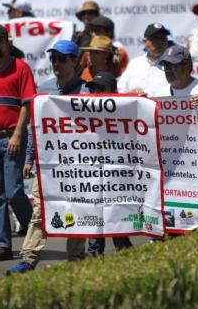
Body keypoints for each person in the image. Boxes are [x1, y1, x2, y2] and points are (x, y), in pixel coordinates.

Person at [7, 40, 87, 274]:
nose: (56, 63)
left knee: (76, 209)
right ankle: (28, 258)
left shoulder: (86, 91)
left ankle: (76, 258)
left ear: (75, 61)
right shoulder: (44, 89)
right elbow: (35, 127)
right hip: (48, 163)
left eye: (62, 59)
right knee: (40, 210)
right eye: (53, 59)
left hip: (79, 164)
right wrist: (30, 158)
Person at [150, 45, 198, 228]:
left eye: (173, 66)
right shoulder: (159, 93)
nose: (168, 70)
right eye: (165, 66)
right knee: (174, 215)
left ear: (186, 66)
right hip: (173, 165)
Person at [0, 25, 35, 262]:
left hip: (11, 138)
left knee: (13, 192)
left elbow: (27, 104)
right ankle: (3, 245)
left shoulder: (21, 68)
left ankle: (34, 226)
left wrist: (18, 134)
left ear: (8, 43)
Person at [84, 72, 133, 256]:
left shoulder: (126, 110)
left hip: (117, 176)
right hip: (92, 175)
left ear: (113, 91)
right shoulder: (82, 111)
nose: (95, 93)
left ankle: (128, 259)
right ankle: (94, 257)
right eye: (92, 89)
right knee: (95, 221)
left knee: (117, 225)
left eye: (100, 88)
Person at [117, 23, 171, 95]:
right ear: (145, 41)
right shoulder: (135, 64)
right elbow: (121, 89)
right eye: (156, 38)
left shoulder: (174, 64)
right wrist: (131, 95)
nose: (160, 42)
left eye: (163, 38)